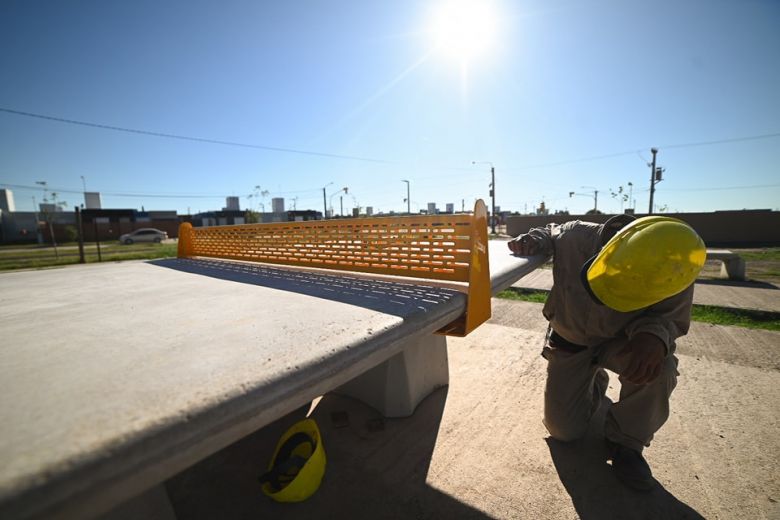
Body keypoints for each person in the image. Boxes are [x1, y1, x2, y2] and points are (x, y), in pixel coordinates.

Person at [508, 214, 705, 491]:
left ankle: (627, 443)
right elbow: (548, 232)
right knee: (564, 432)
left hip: (622, 341)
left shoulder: (675, 260)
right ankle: (595, 381)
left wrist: (653, 337)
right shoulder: (575, 236)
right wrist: (534, 240)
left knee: (659, 367)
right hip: (571, 340)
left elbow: (669, 316)